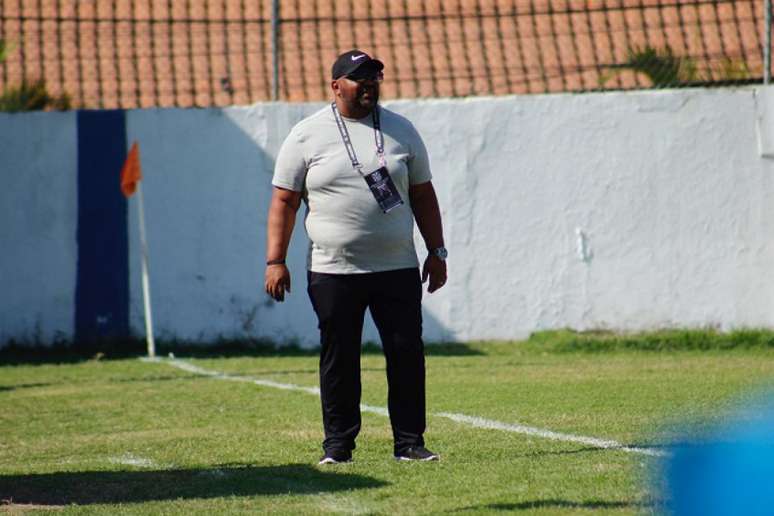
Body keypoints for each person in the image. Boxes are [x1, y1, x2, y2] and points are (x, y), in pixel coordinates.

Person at [264, 49, 447, 465]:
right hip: (333, 269)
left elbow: (423, 194)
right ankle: (338, 446)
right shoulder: (307, 134)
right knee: (339, 357)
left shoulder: (402, 131)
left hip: (396, 265)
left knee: (406, 354)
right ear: (336, 85)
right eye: (359, 77)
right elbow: (284, 201)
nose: (369, 84)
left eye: (375, 77)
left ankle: (409, 443)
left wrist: (437, 251)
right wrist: (275, 260)